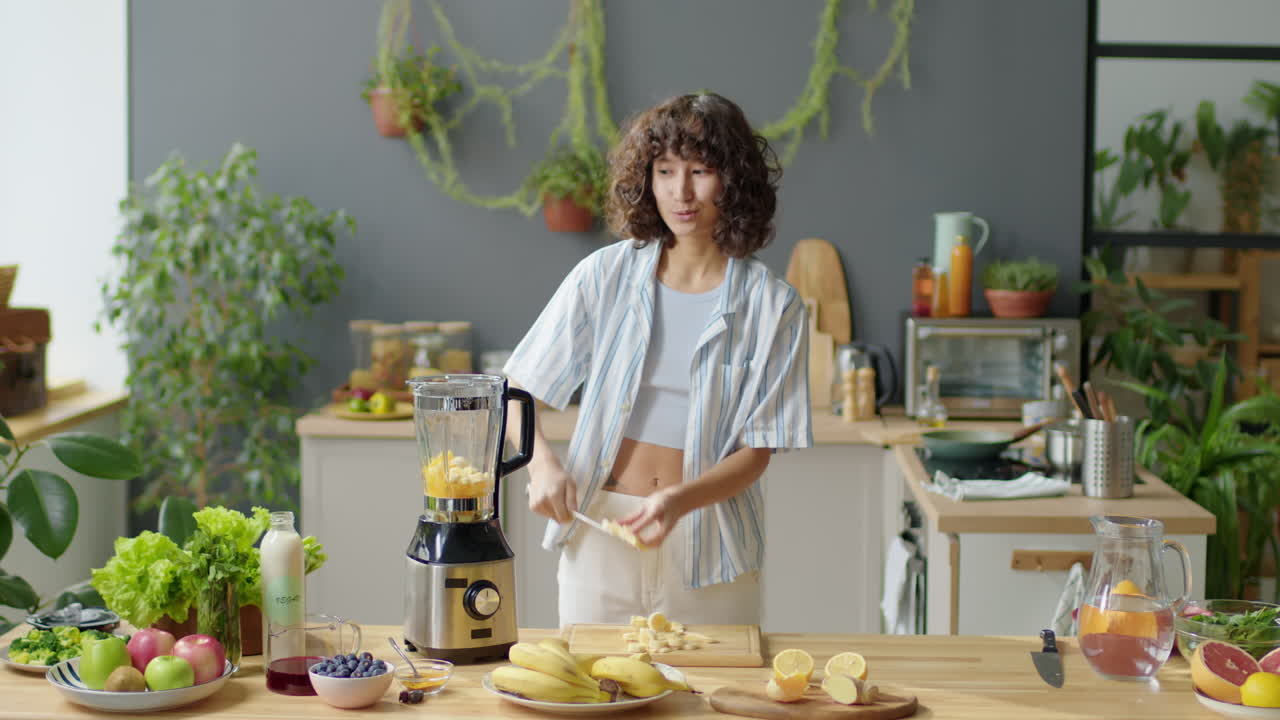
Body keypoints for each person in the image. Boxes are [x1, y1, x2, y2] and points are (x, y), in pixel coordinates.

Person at [503, 92, 811, 627]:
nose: (680, 192)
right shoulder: (605, 275)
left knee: (711, 682)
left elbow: (758, 451)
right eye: (665, 171)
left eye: (700, 171)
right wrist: (543, 465)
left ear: (734, 180)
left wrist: (677, 502)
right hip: (599, 528)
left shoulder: (773, 305)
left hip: (710, 543)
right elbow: (514, 390)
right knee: (590, 678)